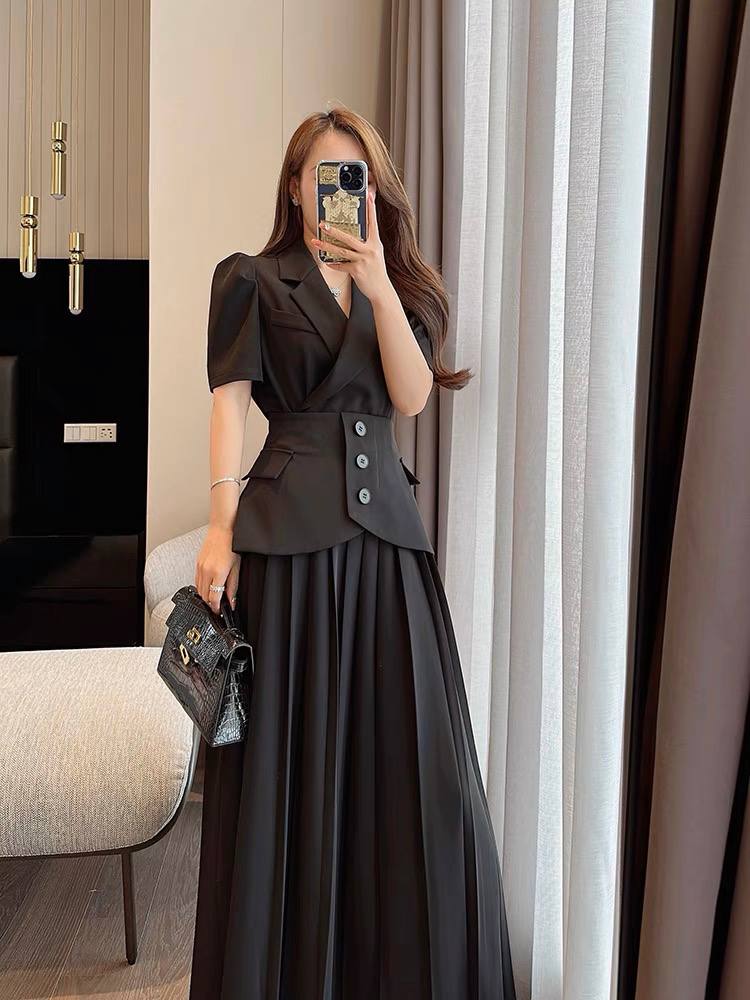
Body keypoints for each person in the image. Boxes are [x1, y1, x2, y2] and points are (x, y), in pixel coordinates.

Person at [189, 105, 517, 1000]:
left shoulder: (397, 288)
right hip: (288, 548)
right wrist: (218, 526)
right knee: (289, 778)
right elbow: (230, 403)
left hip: (389, 553)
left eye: (355, 174)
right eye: (323, 173)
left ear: (370, 189)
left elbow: (410, 399)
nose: (339, 187)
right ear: (296, 188)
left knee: (418, 773)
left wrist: (375, 280)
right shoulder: (253, 279)